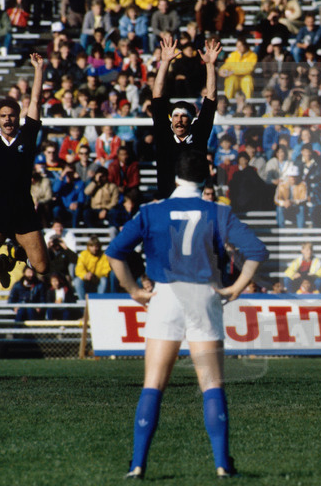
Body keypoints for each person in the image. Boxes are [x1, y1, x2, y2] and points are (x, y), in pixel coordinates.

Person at [106, 151, 267, 480]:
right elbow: (257, 251)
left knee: (153, 383)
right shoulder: (218, 211)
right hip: (203, 296)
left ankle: (138, 464)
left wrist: (134, 290)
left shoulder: (151, 211)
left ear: (175, 177)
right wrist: (236, 288)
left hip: (165, 295)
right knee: (211, 384)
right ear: (206, 177)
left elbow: (115, 252)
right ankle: (221, 464)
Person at [0, 53, 49, 288]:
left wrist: (38, 69)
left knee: (42, 267)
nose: (7, 120)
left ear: (18, 117)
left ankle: (16, 253)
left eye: (12, 116)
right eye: (3, 116)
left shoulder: (27, 136)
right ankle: (1, 264)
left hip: (23, 211)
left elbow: (35, 101)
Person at [153, 35, 221, 200]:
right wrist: (165, 63)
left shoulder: (199, 135)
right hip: (168, 203)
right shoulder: (164, 134)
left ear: (191, 120)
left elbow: (211, 99)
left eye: (184, 116)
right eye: (176, 116)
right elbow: (157, 95)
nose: (179, 120)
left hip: (194, 202)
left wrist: (210, 65)